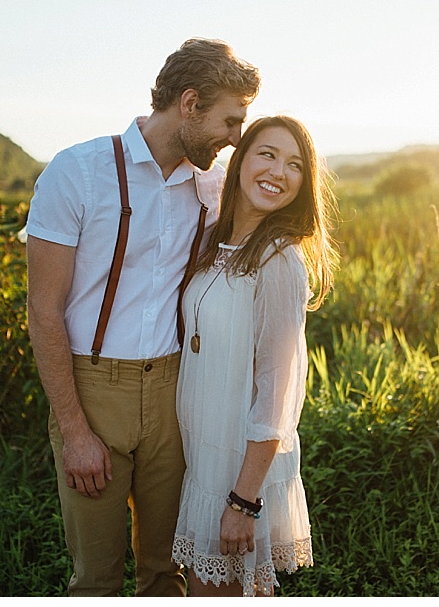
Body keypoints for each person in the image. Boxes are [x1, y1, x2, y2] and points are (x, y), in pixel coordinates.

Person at [25, 38, 260, 597]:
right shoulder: (76, 172)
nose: (235, 139)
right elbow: (43, 311)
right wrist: (75, 430)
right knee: (97, 579)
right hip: (93, 386)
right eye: (230, 122)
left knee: (166, 570)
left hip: (177, 391)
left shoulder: (211, 187)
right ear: (189, 102)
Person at [170, 116, 338, 596]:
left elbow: (276, 396)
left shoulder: (279, 260)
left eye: (295, 165)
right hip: (201, 455)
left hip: (237, 468)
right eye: (267, 154)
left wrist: (243, 502)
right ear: (240, 159)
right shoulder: (211, 243)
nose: (279, 172)